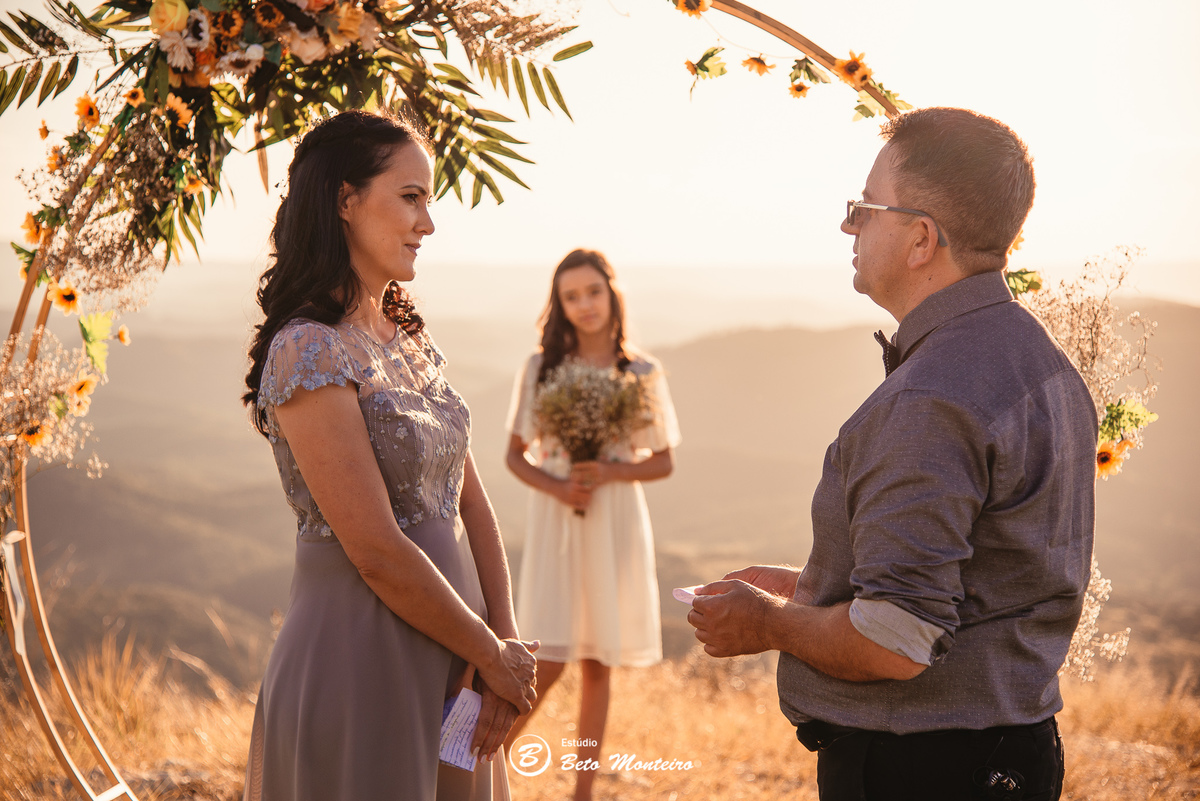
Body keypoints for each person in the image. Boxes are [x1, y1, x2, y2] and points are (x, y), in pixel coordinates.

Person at [687, 108, 1096, 800]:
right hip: (1014, 748)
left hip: (925, 769)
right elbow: (985, 572)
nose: (849, 224)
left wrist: (765, 622)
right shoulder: (1044, 362)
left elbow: (895, 640)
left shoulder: (931, 398)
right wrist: (812, 585)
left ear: (920, 240)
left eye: (864, 207)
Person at [240, 109, 537, 801]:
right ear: (346, 200)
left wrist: (505, 642)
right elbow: (374, 548)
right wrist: (490, 654)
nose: (426, 223)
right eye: (410, 197)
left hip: (459, 661)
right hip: (357, 660)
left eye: (426, 201)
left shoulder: (408, 340)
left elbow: (469, 500)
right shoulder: (307, 348)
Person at [502, 249, 681, 800]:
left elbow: (663, 460)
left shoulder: (641, 372)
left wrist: (607, 470)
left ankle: (582, 792)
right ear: (559, 305)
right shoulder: (542, 368)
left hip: (614, 523)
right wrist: (560, 486)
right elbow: (514, 455)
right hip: (559, 522)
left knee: (599, 661)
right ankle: (475, 765)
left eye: (593, 292)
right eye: (571, 296)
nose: (584, 305)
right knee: (548, 659)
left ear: (612, 293)